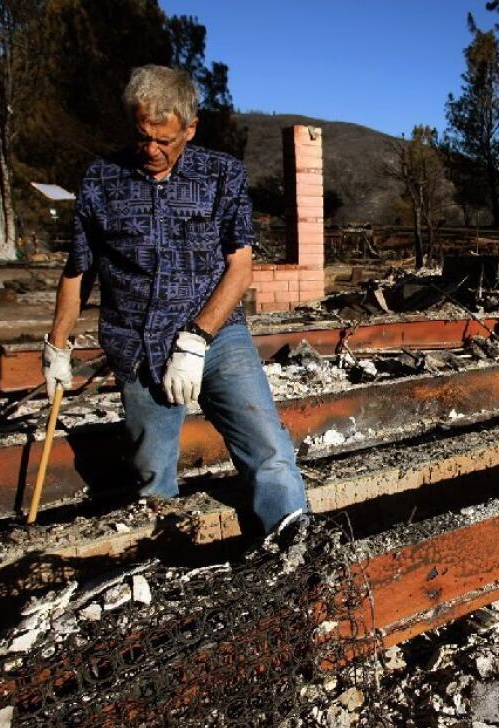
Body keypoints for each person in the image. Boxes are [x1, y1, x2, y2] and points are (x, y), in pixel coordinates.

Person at [42, 64, 308, 537]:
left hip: (218, 338)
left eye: (164, 140)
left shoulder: (221, 175)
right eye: (142, 137)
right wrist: (57, 344)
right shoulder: (102, 180)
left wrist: (196, 338)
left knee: (270, 450)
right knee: (151, 474)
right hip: (138, 345)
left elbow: (240, 266)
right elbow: (79, 268)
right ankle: (163, 568)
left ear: (190, 128)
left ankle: (292, 544)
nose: (151, 150)